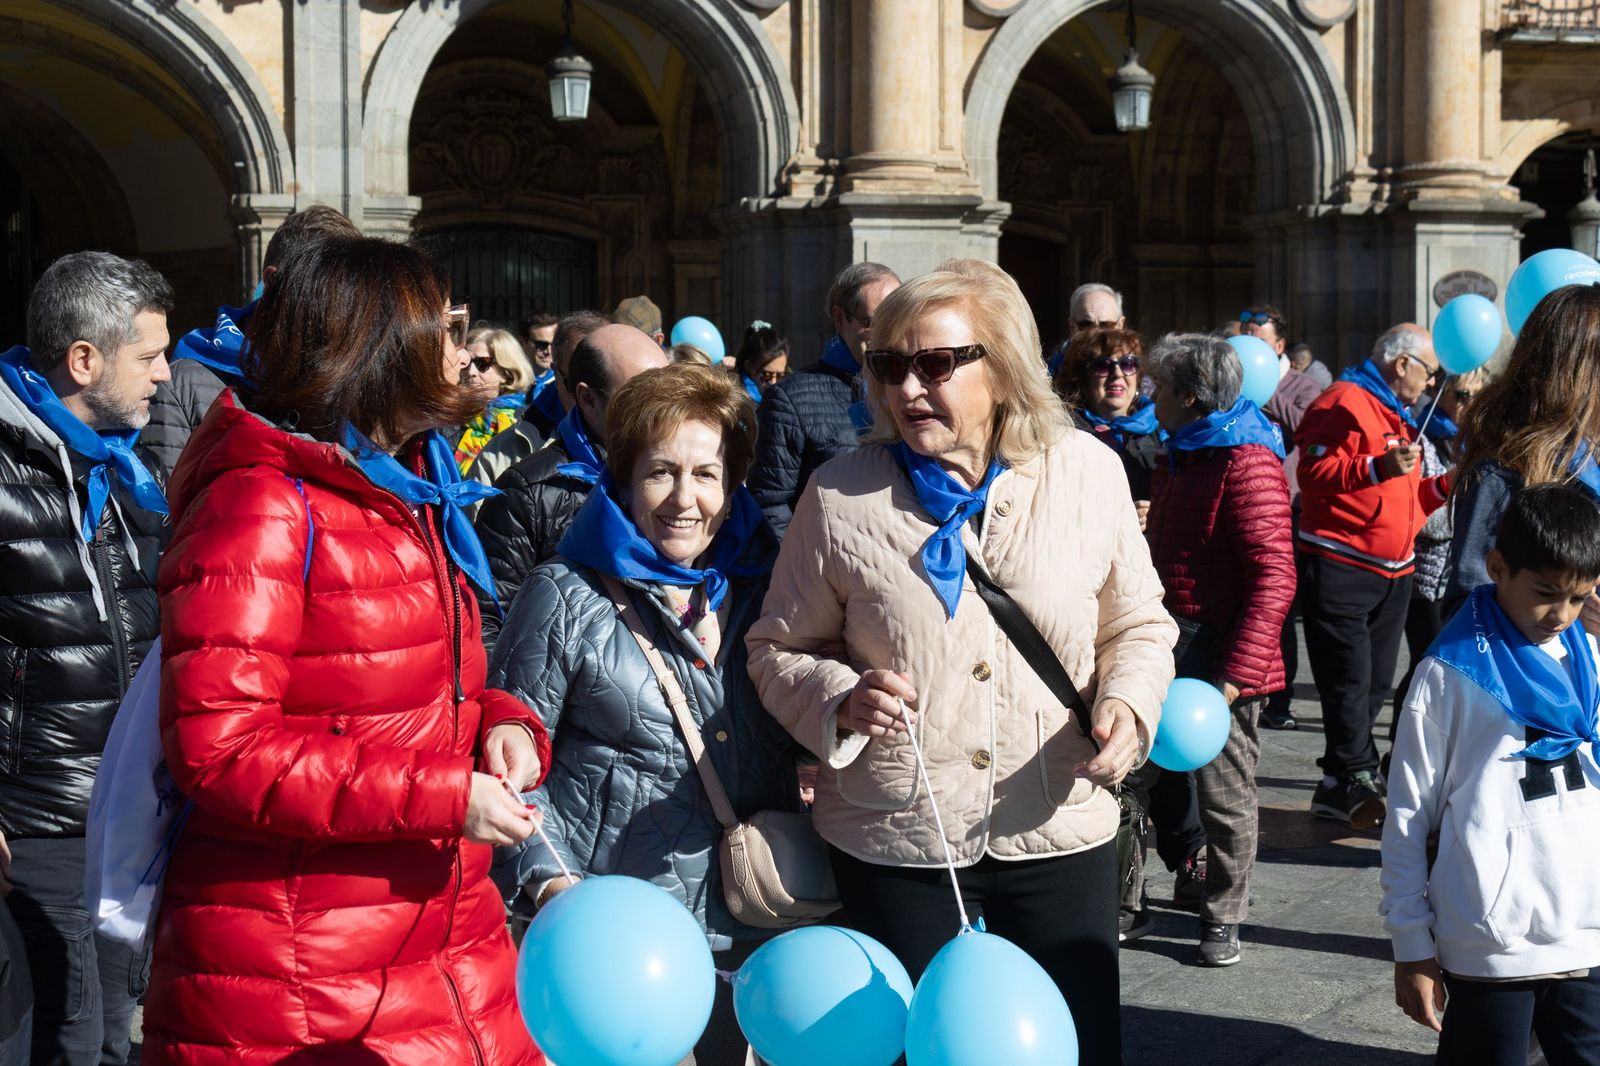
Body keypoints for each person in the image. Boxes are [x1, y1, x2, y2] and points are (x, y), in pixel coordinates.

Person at [746, 260, 1176, 1066]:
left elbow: (1139, 624)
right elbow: (777, 648)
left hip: (1058, 823)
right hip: (899, 836)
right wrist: (839, 697)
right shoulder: (839, 498)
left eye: (936, 365)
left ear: (1005, 366)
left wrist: (1129, 702)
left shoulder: (1088, 474)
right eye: (888, 366)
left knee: (1071, 1049)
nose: (909, 389)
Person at [142, 236, 551, 1064]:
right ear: (379, 349)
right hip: (298, 970)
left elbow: (414, 690)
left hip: (435, 935)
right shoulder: (262, 507)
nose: (465, 352)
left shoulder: (405, 489)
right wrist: (442, 794)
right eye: (445, 329)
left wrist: (499, 723)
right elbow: (220, 749)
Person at [489, 362, 796, 1065]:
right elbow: (503, 762)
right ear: (624, 480)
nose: (683, 498)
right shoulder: (563, 594)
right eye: (660, 472)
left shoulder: (769, 592)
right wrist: (551, 886)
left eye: (706, 474)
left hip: (748, 929)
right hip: (614, 950)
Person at [0, 251, 172, 1066]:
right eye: (149, 356)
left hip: (125, 807)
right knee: (63, 1038)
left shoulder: (124, 468)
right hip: (39, 819)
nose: (167, 376)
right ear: (83, 360)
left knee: (114, 1037)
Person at [1381, 483, 1600, 1066]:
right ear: (1498, 567)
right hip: (1493, 943)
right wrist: (1412, 944)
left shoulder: (1590, 656)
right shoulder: (1448, 675)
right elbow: (1407, 815)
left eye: (1580, 597)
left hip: (1587, 931)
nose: (1562, 615)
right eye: (1546, 593)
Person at [1144, 334, 1296, 966]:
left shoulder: (1246, 461)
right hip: (1169, 645)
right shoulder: (1181, 454)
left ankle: (1225, 913)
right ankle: (1132, 899)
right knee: (1134, 780)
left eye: (1160, 386)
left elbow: (1274, 578)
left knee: (1225, 795)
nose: (1151, 396)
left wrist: (1233, 679)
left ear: (1189, 396)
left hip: (1226, 659)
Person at [1297, 323, 1449, 828]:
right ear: (1402, 364)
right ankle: (1358, 774)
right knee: (1350, 679)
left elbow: (1408, 505)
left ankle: (1335, 784)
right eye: (1429, 372)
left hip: (1394, 569)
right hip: (1343, 562)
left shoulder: (1400, 416)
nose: (1432, 384)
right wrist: (1374, 469)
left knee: (1377, 683)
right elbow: (1312, 475)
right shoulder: (1342, 400)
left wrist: (1446, 484)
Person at [474, 323, 669, 644]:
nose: (662, 412)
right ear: (589, 399)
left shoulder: (689, 475)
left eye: (668, 393)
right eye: (639, 398)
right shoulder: (529, 492)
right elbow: (487, 623)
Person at [144, 203, 360, 477]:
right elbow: (166, 513)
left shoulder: (353, 376)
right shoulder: (182, 385)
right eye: (329, 292)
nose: (345, 310)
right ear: (273, 282)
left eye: (354, 294)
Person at [1445, 284, 1600, 622]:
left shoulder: (1591, 452)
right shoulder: (1504, 468)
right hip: (1541, 668)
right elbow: (1469, 602)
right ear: (1582, 372)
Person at [747, 261, 900, 537]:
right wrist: (808, 570)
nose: (887, 334)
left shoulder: (912, 389)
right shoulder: (789, 399)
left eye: (897, 319)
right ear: (840, 319)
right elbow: (769, 503)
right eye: (873, 322)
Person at [1391, 369, 1490, 728]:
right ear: (1442, 395)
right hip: (1427, 578)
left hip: (1463, 573)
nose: (1469, 404)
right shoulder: (1424, 440)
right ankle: (1400, 740)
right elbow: (1425, 520)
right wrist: (1473, 518)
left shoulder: (1479, 443)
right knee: (1426, 661)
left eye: (1477, 396)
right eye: (1462, 395)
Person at [474, 309, 609, 487]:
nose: (589, 398)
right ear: (557, 375)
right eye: (575, 385)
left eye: (602, 384)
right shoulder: (501, 455)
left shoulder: (645, 440)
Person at [1052, 327, 1160, 521]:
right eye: (1103, 366)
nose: (1117, 373)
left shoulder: (1163, 428)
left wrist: (1159, 512)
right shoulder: (1063, 436)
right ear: (1084, 379)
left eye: (1128, 364)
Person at [455, 327, 537, 474]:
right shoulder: (447, 419)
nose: (471, 372)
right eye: (465, 364)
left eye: (482, 364)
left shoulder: (528, 422)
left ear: (506, 372)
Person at [1245, 306, 1321, 455]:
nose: (1251, 347)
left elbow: (1307, 430)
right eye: (1247, 340)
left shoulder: (1305, 386)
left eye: (1260, 341)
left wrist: (1263, 388)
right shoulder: (1232, 384)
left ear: (1279, 346)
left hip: (1282, 474)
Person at [1045, 283, 1126, 377]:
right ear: (1072, 327)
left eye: (1106, 325)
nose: (1096, 332)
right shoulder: (1047, 376)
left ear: (1120, 325)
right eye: (1087, 324)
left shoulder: (1133, 372)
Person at [735, 320, 790, 403]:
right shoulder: (736, 399)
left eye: (780, 375)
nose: (773, 382)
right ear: (749, 367)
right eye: (766, 375)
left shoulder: (789, 397)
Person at [522, 310, 559, 394]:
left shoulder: (566, 384)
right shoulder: (509, 381)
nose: (549, 351)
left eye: (554, 344)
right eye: (541, 344)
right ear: (522, 342)